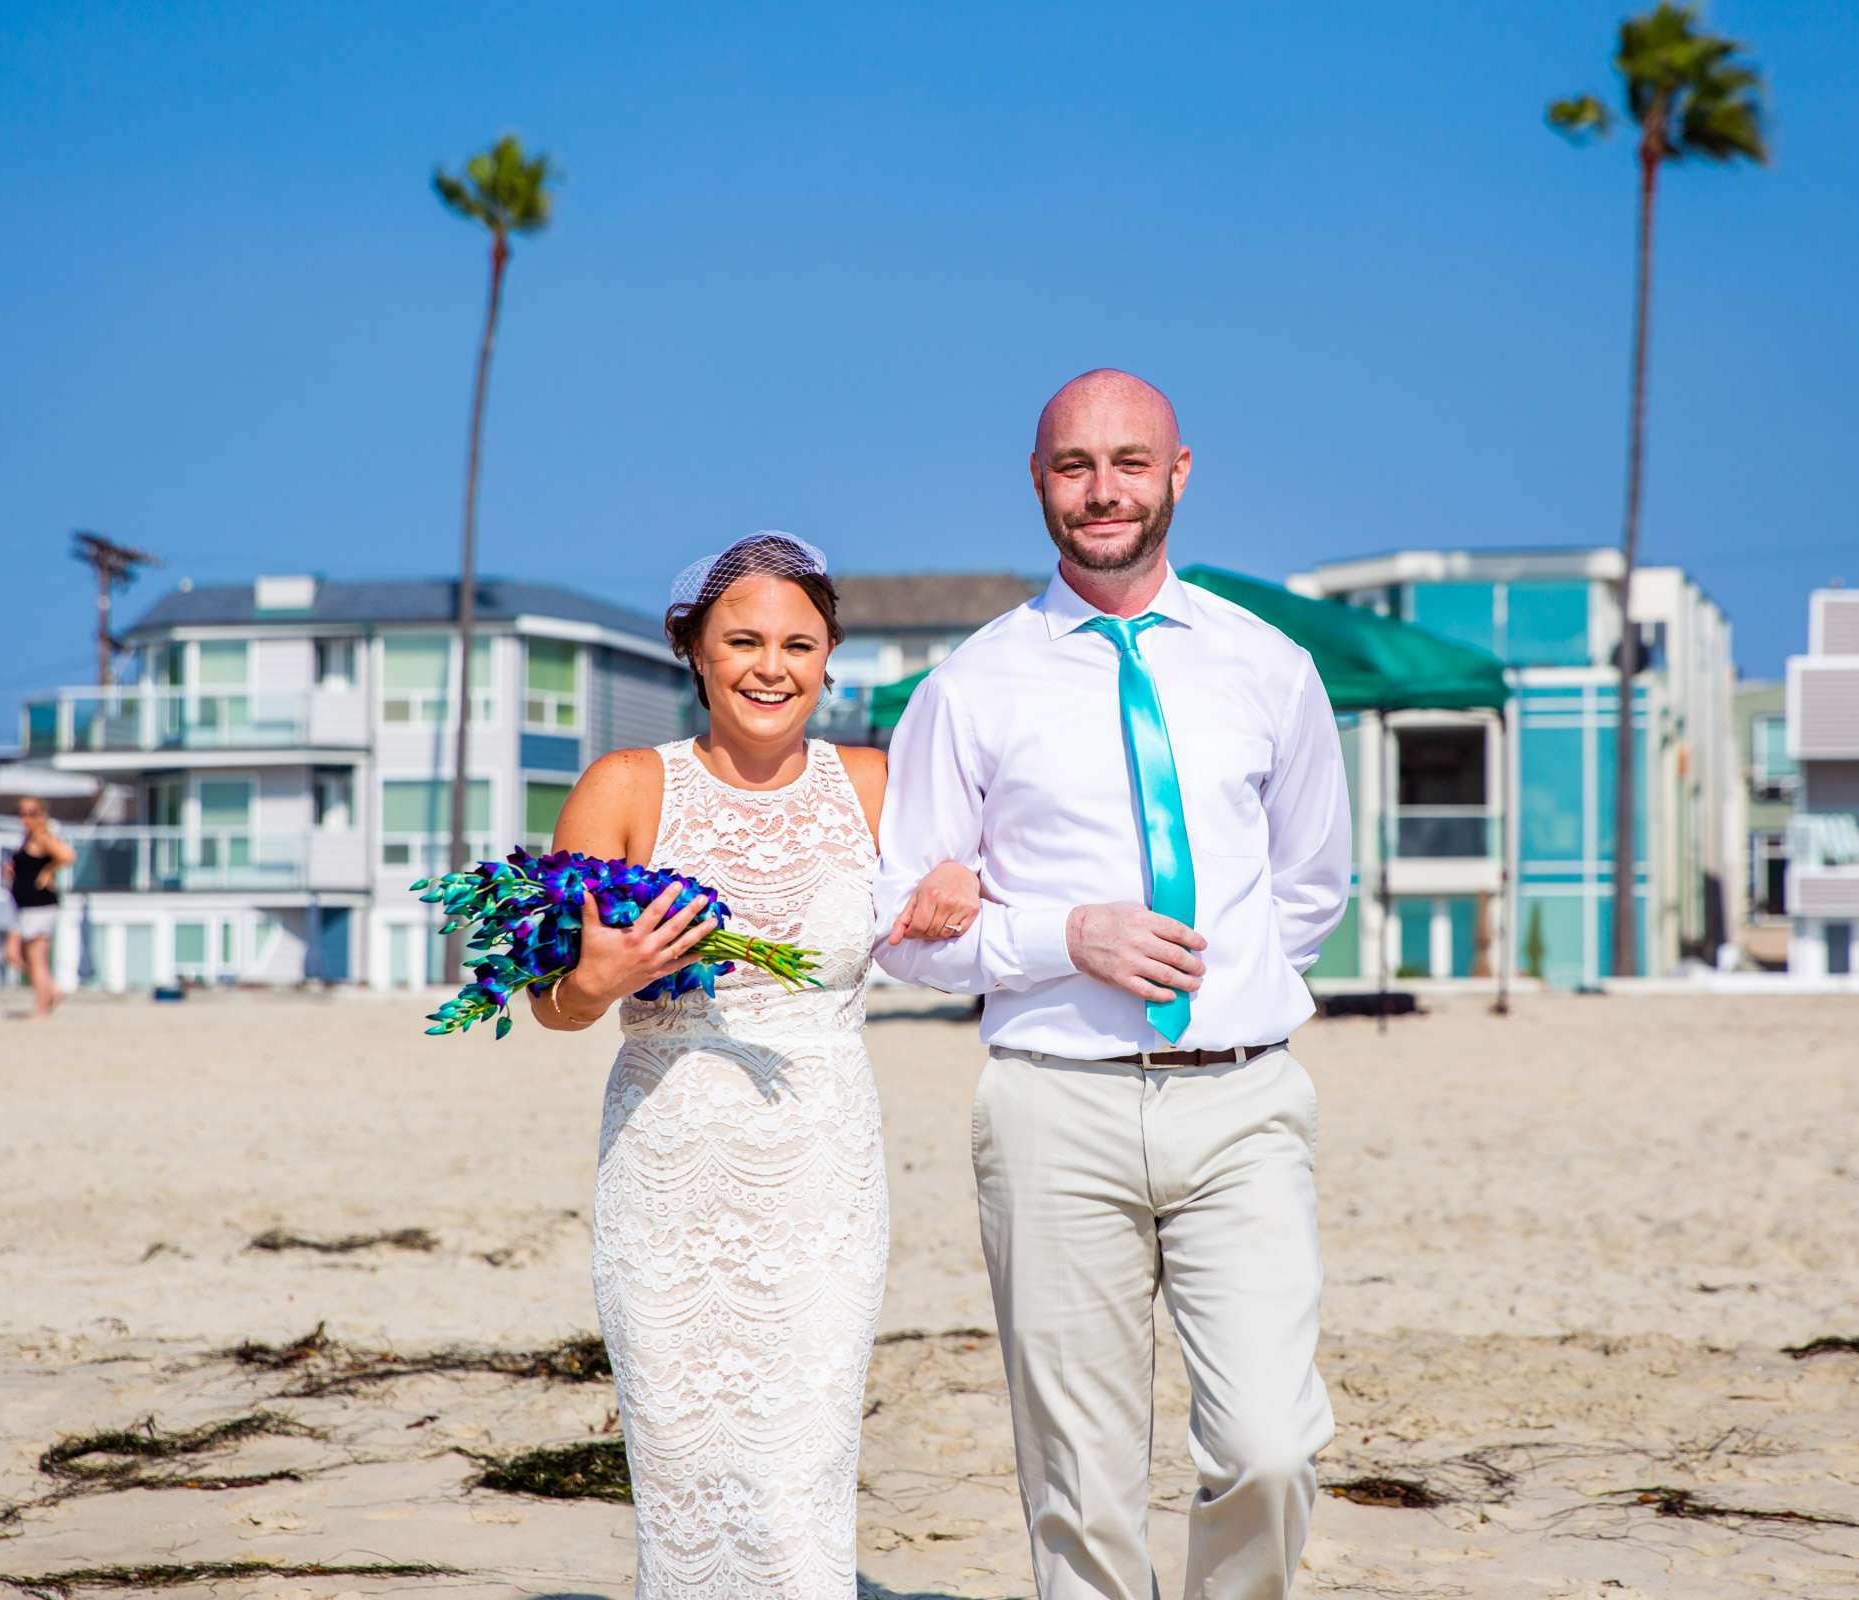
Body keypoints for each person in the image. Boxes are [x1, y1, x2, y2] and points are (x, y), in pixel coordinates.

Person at [874, 370, 1353, 1600]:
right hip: (1052, 1107)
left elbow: (1310, 887)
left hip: (1241, 1105)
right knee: (1080, 1487)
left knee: (1271, 1446)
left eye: (1129, 462)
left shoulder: (1272, 668)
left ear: (1179, 474)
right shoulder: (969, 686)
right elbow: (904, 930)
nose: (1103, 490)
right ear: (1038, 482)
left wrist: (1227, 999)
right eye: (1074, 465)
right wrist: (1061, 938)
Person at [529, 531, 978, 1598]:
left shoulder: (874, 782)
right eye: (743, 640)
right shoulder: (627, 787)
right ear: (695, 651)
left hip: (821, 1168)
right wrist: (600, 977)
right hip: (667, 1167)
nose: (770, 665)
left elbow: (963, 906)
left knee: (799, 1466)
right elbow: (548, 1004)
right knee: (685, 1465)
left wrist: (960, 878)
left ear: (829, 658)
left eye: (797, 642)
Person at [2, 797, 75, 1018]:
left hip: (39, 905)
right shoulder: (27, 838)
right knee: (14, 954)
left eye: (31, 813)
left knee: (36, 957)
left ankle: (42, 1007)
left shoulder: (43, 837)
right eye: (21, 813)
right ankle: (52, 989)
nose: (26, 818)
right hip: (25, 906)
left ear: (42, 814)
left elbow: (68, 855)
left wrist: (48, 872)